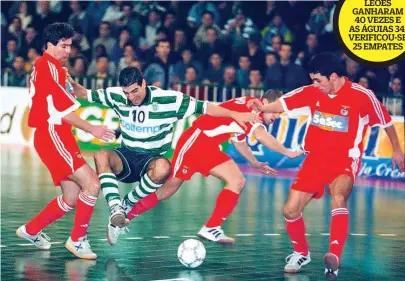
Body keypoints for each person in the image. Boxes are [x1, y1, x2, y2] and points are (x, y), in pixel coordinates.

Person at [68, 66, 261, 245]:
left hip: (151, 160)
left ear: (144, 83)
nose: (132, 97)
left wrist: (235, 115)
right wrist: (70, 83)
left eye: (135, 91)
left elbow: (206, 107)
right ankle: (116, 209)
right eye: (127, 93)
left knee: (164, 168)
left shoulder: (169, 100)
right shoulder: (117, 96)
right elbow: (84, 93)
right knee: (101, 154)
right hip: (126, 155)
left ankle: (128, 203)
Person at [258, 52, 405, 278]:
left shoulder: (362, 96)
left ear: (334, 76)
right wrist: (255, 108)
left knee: (338, 196)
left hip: (345, 159)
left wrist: (397, 149)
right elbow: (281, 104)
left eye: (319, 80)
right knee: (289, 210)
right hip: (315, 159)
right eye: (313, 80)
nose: (315, 85)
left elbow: (386, 122)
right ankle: (301, 252)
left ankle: (333, 255)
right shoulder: (311, 92)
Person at [122, 90, 303, 245]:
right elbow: (261, 135)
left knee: (237, 180)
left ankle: (212, 227)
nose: (277, 116)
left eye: (279, 113)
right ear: (265, 103)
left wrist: (254, 162)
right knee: (167, 189)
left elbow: (238, 141)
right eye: (275, 111)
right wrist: (287, 152)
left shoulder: (251, 107)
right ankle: (126, 214)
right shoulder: (252, 109)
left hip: (209, 148)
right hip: (195, 142)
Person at [16, 22, 115, 259]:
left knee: (71, 196)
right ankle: (78, 239)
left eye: (70, 46)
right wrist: (93, 129)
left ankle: (30, 230)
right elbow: (63, 113)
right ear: (50, 45)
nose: (68, 51)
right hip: (53, 133)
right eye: (63, 46)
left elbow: (63, 98)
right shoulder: (50, 68)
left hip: (50, 135)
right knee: (92, 184)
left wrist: (67, 82)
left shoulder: (48, 67)